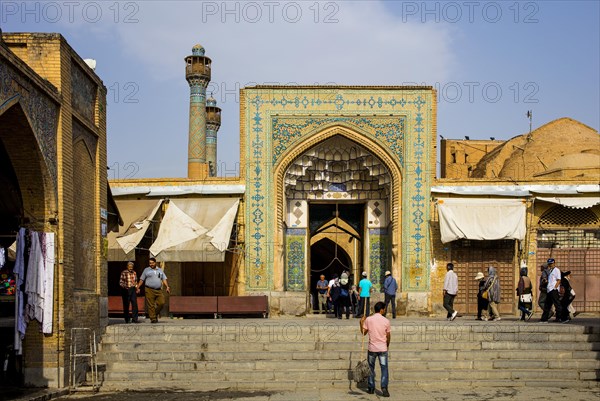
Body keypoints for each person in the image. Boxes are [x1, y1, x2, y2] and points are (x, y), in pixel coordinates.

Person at [360, 301, 391, 397]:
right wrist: (387, 345)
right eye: (384, 309)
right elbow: (388, 336)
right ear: (381, 310)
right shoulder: (386, 321)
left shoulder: (369, 320)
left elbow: (363, 333)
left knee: (371, 368)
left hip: (372, 348)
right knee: (384, 368)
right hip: (382, 348)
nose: (385, 310)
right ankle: (384, 388)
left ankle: (371, 387)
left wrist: (361, 323)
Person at [136, 257, 170, 323]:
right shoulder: (146, 270)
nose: (151, 264)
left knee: (162, 303)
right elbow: (141, 279)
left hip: (158, 290)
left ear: (155, 263)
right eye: (150, 263)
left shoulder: (160, 270)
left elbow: (164, 279)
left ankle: (154, 314)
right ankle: (153, 319)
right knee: (151, 305)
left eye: (152, 263)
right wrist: (138, 287)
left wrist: (167, 286)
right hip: (149, 289)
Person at [541, 258, 563, 322]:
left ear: (554, 263)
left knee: (557, 304)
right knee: (547, 305)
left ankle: (559, 318)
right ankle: (544, 318)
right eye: (549, 264)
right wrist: (546, 281)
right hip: (549, 290)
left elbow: (559, 280)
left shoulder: (556, 270)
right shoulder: (550, 271)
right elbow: (551, 280)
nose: (550, 265)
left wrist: (555, 288)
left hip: (553, 290)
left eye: (551, 264)